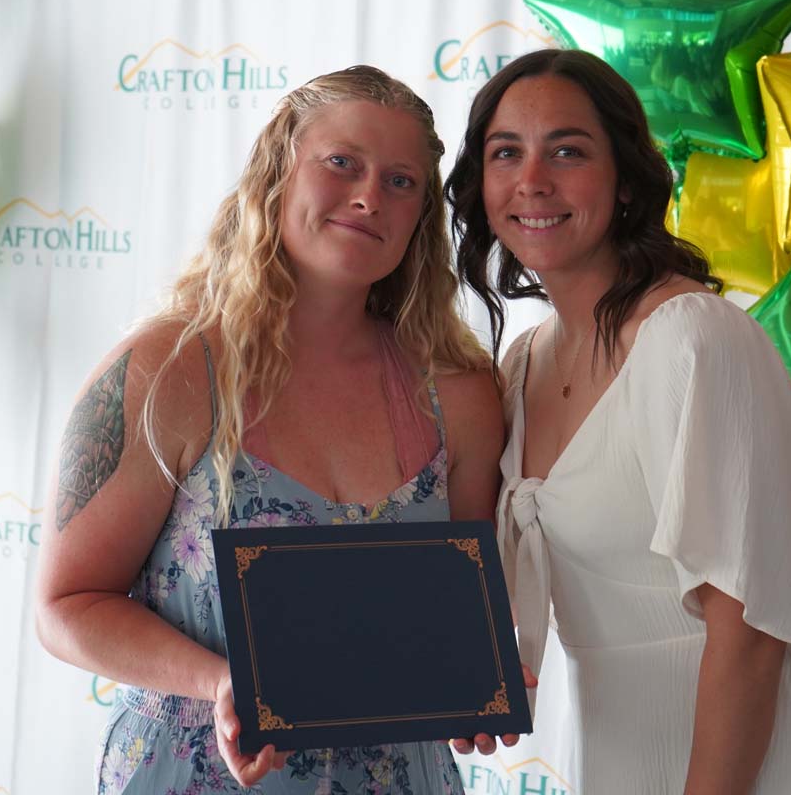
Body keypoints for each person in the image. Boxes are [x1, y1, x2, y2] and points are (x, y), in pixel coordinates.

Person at [35, 66, 513, 794]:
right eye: (342, 163)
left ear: (420, 215)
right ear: (276, 174)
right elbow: (64, 606)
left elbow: (461, 612)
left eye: (400, 181)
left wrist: (476, 678)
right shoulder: (167, 368)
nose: (367, 195)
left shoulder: (463, 390)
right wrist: (222, 683)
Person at [445, 49, 791, 794]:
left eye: (567, 150)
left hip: (754, 769)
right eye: (505, 154)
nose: (533, 180)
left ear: (624, 181)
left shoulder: (693, 339)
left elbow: (749, 634)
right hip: (618, 759)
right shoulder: (520, 365)